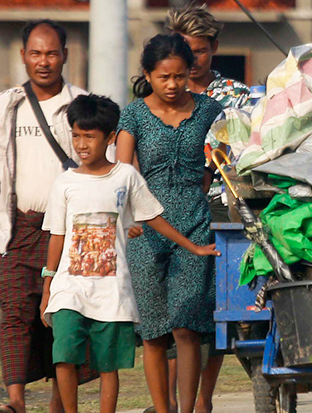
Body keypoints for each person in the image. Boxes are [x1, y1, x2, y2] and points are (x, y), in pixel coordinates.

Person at [39, 94, 219, 413]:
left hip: (111, 290)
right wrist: (48, 285)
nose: (81, 144)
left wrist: (193, 247)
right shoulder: (64, 183)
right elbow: (57, 236)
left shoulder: (126, 177)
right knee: (64, 355)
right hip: (70, 288)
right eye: (76, 135)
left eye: (89, 136)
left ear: (110, 138)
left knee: (109, 366)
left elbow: (151, 217)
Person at [0, 19, 91, 413]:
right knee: (15, 315)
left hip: (70, 233)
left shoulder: (84, 105)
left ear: (66, 56)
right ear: (23, 57)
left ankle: (58, 402)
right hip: (16, 228)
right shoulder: (2, 106)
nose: (44, 61)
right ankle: (15, 402)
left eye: (52, 53)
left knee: (64, 320)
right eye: (35, 53)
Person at [115, 34, 224, 413]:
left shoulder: (209, 110)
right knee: (154, 332)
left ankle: (192, 408)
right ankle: (164, 409)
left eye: (180, 76)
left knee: (186, 325)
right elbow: (124, 174)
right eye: (164, 77)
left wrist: (206, 181)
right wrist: (128, 217)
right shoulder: (133, 114)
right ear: (148, 74)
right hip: (145, 230)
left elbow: (222, 158)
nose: (173, 85)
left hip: (195, 224)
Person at [160, 5, 252, 412]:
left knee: (212, 311)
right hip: (166, 211)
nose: (192, 61)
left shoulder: (237, 97)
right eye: (184, 50)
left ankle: (203, 401)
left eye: (199, 51)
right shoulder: (154, 94)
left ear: (214, 47)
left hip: (218, 211)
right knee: (171, 314)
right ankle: (168, 402)